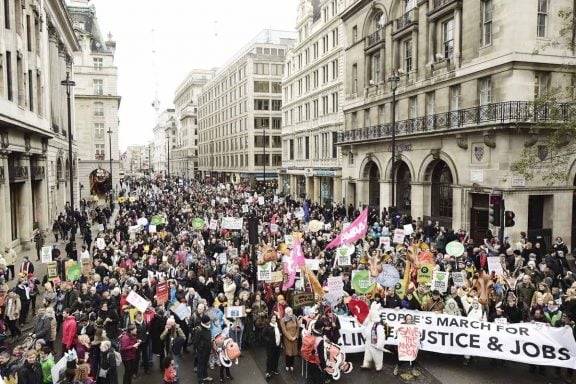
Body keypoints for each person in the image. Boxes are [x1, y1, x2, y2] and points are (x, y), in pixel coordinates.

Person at [279, 307, 299, 372]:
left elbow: (298, 327)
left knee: (293, 352)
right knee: (288, 353)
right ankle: (287, 365)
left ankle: (292, 365)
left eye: (291, 311)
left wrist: (296, 336)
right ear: (286, 313)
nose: (291, 313)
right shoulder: (283, 320)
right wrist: (290, 337)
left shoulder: (295, 318)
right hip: (287, 339)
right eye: (289, 312)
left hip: (294, 338)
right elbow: (284, 330)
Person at [262, 314, 282, 380]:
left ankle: (275, 369)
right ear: (270, 319)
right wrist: (269, 340)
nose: (274, 319)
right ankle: (268, 371)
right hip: (270, 346)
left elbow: (280, 333)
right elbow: (263, 335)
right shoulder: (267, 326)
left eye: (275, 318)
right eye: (273, 318)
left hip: (277, 345)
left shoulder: (277, 325)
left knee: (276, 358)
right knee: (270, 358)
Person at [195, 315, 213, 383]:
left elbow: (209, 339)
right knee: (200, 366)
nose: (210, 322)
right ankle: (200, 380)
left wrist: (210, 348)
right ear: (205, 322)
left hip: (207, 350)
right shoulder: (199, 329)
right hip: (201, 352)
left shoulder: (208, 327)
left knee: (205, 364)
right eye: (208, 321)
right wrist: (200, 350)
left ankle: (205, 376)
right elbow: (196, 342)